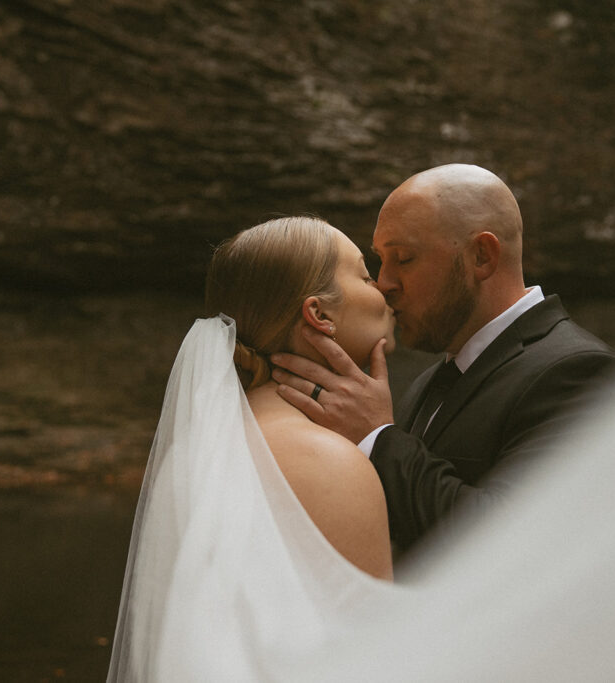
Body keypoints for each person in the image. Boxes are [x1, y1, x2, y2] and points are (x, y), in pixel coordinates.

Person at [272, 164, 615, 553]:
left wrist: (377, 437)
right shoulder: (429, 381)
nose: (384, 283)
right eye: (379, 260)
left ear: (482, 256)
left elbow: (516, 538)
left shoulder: (582, 372)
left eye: (404, 258)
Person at [107, 216, 398, 681]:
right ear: (319, 315)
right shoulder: (329, 462)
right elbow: (376, 657)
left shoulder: (198, 453)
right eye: (365, 275)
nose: (385, 288)